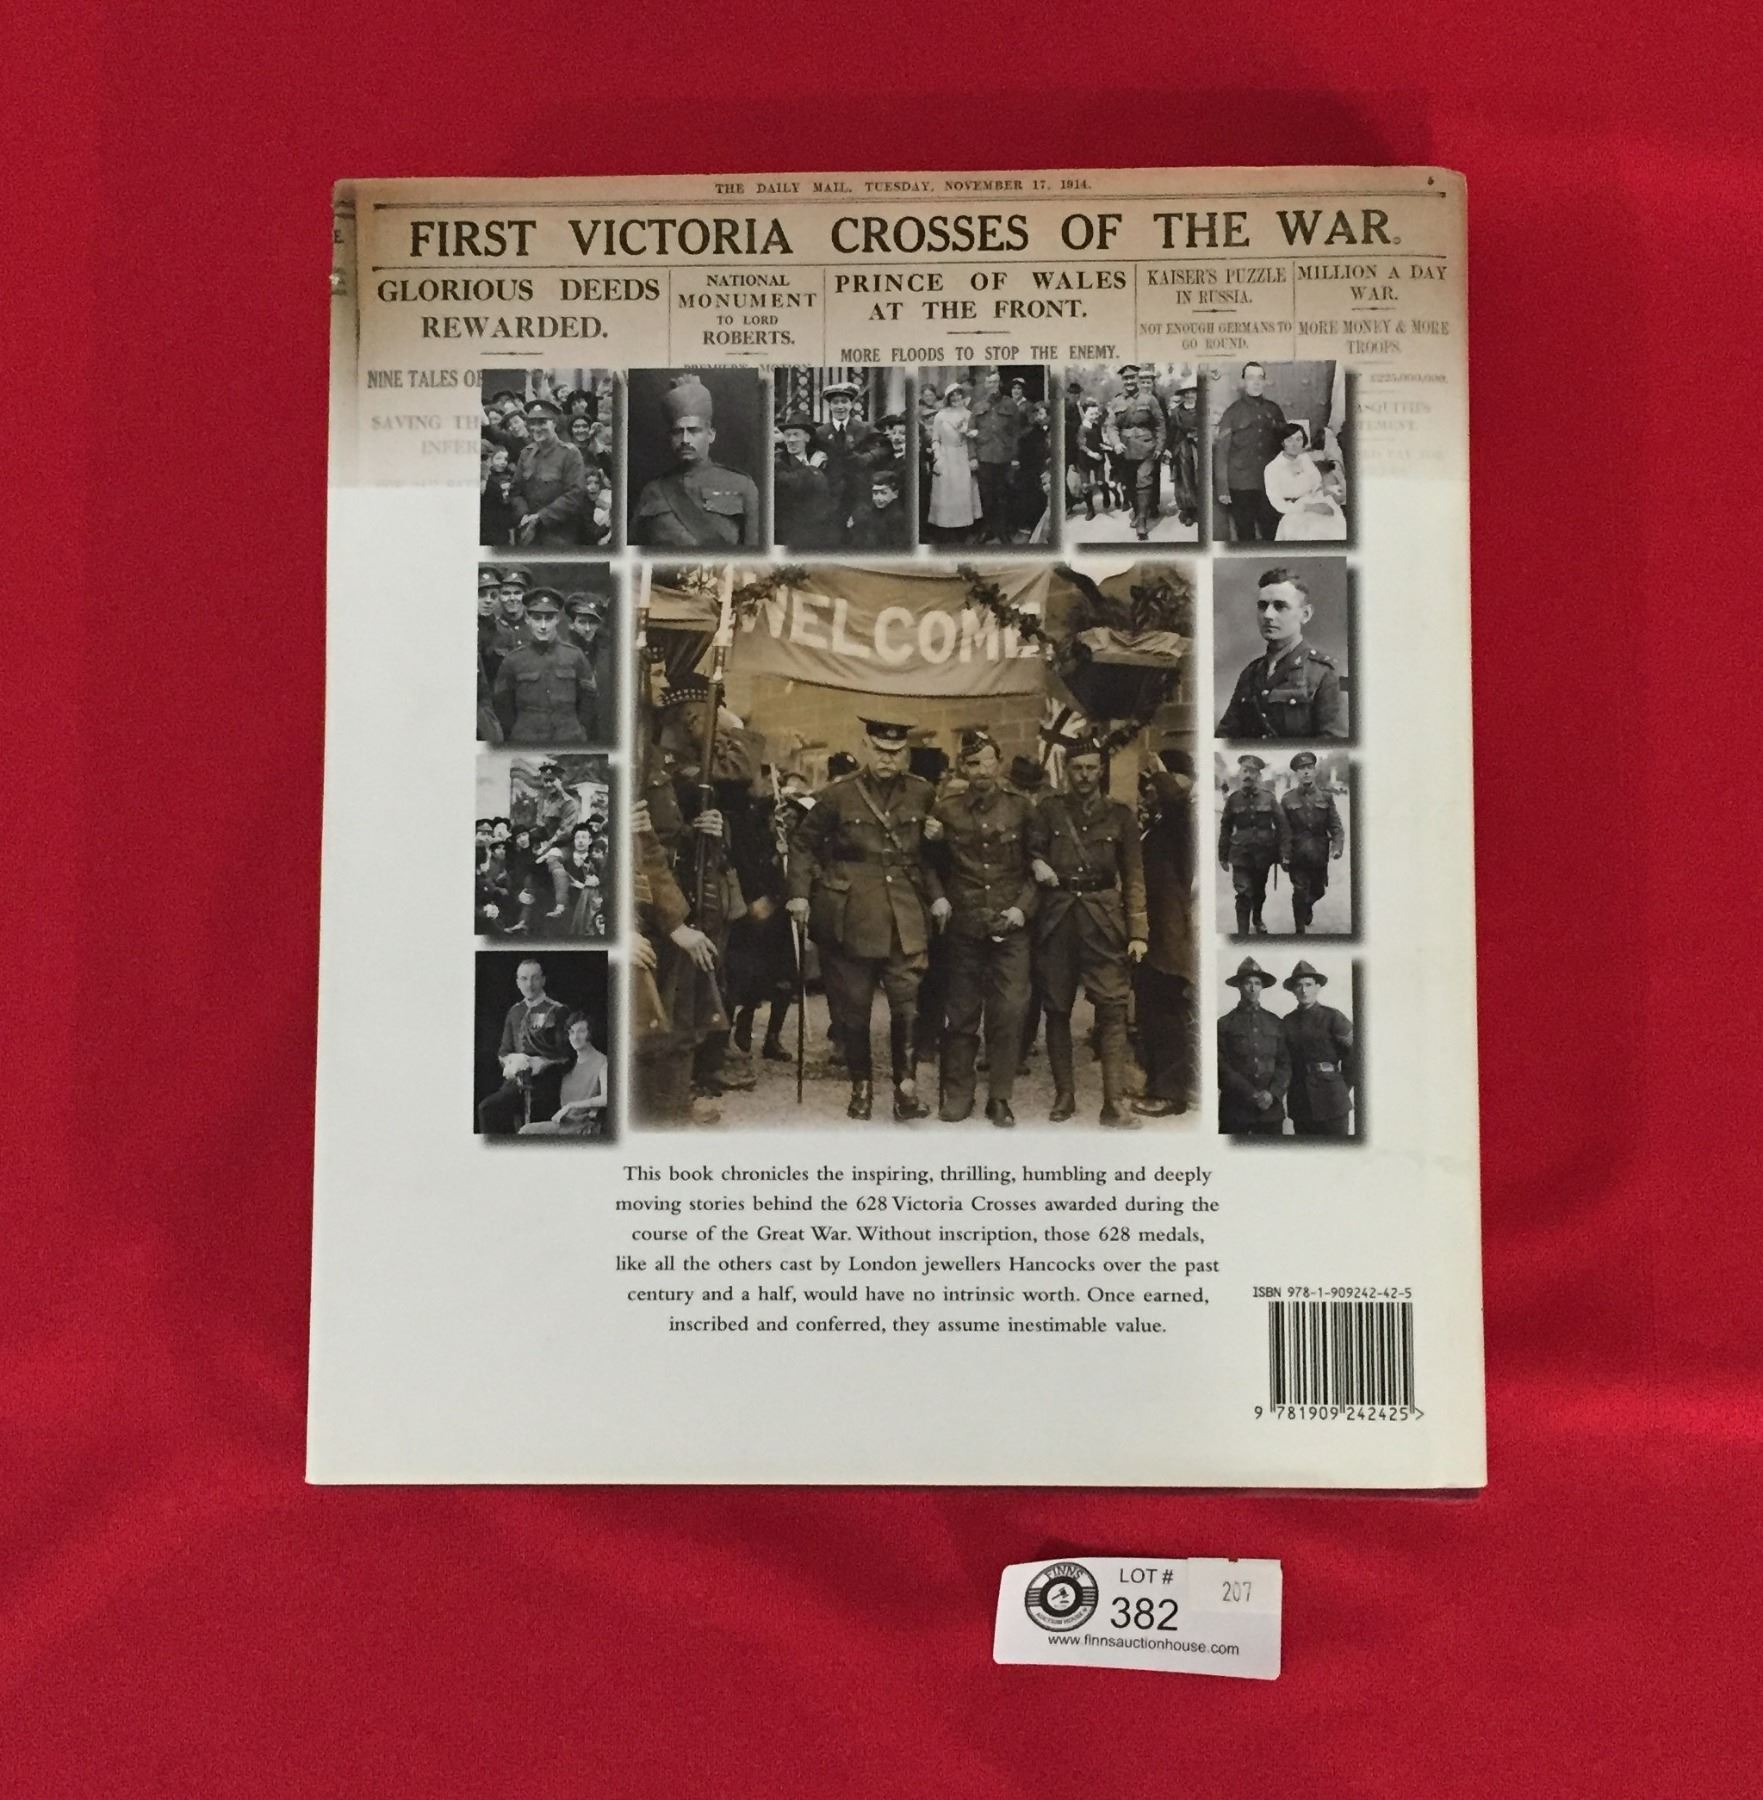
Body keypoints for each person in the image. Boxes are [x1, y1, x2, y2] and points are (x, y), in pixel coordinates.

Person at [787, 719, 943, 1122]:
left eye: (895, 752)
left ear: (905, 753)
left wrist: (938, 888)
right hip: (852, 912)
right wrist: (800, 894)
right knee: (854, 1007)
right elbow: (802, 843)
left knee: (907, 1004)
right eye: (880, 750)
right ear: (865, 748)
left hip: (904, 913)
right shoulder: (838, 794)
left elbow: (930, 856)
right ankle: (861, 1086)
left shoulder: (923, 793)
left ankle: (905, 1090)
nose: (887, 758)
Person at [1026, 736, 1148, 1128]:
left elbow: (1134, 876)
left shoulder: (1120, 816)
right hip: (1058, 918)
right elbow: (1030, 849)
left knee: (1112, 1009)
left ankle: (1113, 1103)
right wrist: (1036, 862)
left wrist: (1138, 931)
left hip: (1104, 921)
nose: (1084, 775)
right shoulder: (1048, 811)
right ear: (1067, 771)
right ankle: (1064, 1095)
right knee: (1057, 1008)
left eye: (1091, 768)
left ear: (1101, 771)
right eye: (1077, 768)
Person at [931, 729, 1037, 1127]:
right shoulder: (947, 811)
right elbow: (929, 864)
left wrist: (1022, 909)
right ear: (963, 767)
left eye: (987, 761)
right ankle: (959, 1094)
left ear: (1000, 763)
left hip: (1011, 926)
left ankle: (1000, 1097)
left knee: (1009, 1012)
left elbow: (1037, 865)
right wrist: (938, 896)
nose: (980, 770)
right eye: (972, 763)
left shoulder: (1021, 808)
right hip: (965, 926)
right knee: (961, 1013)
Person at [1134, 749, 1197, 1116]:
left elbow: (1176, 803)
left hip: (1169, 934)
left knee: (1169, 1014)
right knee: (1150, 1012)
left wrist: (1161, 775)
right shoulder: (1159, 823)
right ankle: (1156, 1084)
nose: (1153, 788)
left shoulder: (1184, 820)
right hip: (1152, 932)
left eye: (1161, 781)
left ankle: (1172, 1094)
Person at [1217, 567, 1348, 740]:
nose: (1268, 615)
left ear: (1305, 614)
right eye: (1262, 606)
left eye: (1280, 606)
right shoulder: (1250, 674)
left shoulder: (1327, 673)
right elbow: (1224, 738)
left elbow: (1334, 742)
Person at [631, 375, 760, 548]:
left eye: (693, 431)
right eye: (677, 432)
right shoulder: (652, 491)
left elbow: (755, 554)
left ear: (710, 435)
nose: (685, 439)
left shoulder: (742, 486)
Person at [478, 957, 572, 1134]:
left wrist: (542, 1062)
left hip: (547, 1084)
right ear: (517, 983)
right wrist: (512, 1060)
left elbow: (567, 1055)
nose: (529, 984)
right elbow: (503, 1051)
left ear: (543, 980)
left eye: (535, 978)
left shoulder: (558, 1010)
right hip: (517, 1084)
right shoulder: (514, 1011)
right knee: (488, 1109)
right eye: (524, 979)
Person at [492, 590, 598, 746]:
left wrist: (580, 729)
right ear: (528, 619)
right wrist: (516, 731)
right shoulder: (513, 660)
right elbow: (502, 703)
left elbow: (589, 697)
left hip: (569, 738)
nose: (543, 626)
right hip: (526, 739)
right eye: (537, 618)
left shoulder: (575, 656)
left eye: (548, 619)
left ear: (557, 619)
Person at [1213, 361, 1288, 542]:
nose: (1256, 382)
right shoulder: (1232, 412)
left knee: (1271, 531)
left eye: (1260, 378)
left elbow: (1284, 444)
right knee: (1245, 534)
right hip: (1241, 484)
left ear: (1265, 382)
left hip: (1269, 483)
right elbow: (1222, 452)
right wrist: (1223, 488)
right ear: (1243, 382)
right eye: (1251, 378)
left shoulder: (1274, 410)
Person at [1280, 960, 1355, 1136]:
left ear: (1317, 987)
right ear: (1293, 990)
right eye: (1298, 986)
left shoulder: (1333, 1017)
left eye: (1308, 985)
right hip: (1301, 1101)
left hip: (1333, 1100)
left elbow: (1356, 1055)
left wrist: (1341, 1087)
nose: (1303, 990)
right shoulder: (1287, 1021)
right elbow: (1284, 1061)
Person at [1218, 753, 1290, 936]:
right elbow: (1225, 827)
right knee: (1243, 893)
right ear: (1240, 773)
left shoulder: (1269, 798)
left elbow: (1282, 826)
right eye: (1245, 771)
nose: (1248, 775)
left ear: (1258, 775)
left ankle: (1257, 918)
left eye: (1252, 771)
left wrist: (1284, 853)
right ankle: (1242, 934)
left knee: (1259, 892)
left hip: (1263, 854)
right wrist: (1223, 855)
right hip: (1240, 854)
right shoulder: (1233, 799)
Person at [1216, 957, 1289, 1134]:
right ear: (1239, 986)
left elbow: (1285, 1063)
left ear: (1262, 987)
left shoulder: (1275, 1022)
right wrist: (1250, 1093)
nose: (1252, 988)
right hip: (1235, 1109)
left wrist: (1272, 1093)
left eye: (1257, 983)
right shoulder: (1225, 1023)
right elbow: (1220, 1065)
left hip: (1270, 1110)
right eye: (1248, 983)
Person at [1280, 751, 1346, 933]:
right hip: (1297, 854)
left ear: (1315, 771)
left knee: (1318, 891)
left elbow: (1336, 826)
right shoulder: (1287, 799)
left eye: (1309, 767)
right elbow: (1283, 830)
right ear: (1296, 773)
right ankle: (1299, 929)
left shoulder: (1326, 797)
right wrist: (1284, 855)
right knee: (1299, 890)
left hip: (1319, 854)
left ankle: (1307, 906)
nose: (1306, 772)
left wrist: (1337, 847)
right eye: (1302, 769)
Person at [511, 400, 590, 547]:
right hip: (528, 533)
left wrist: (541, 517)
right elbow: (515, 491)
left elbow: (576, 493)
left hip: (560, 535)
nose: (536, 428)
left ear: (554, 423)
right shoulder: (526, 454)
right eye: (532, 423)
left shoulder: (570, 454)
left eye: (542, 422)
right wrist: (524, 515)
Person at [519, 1011, 610, 1136]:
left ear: (590, 1033)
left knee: (526, 1132)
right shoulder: (569, 1062)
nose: (575, 1037)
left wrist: (571, 1106)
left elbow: (607, 1098)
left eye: (581, 1031)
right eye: (571, 1032)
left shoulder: (603, 1062)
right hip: (562, 1124)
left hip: (584, 1128)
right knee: (526, 1131)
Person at [1108, 365, 1167, 540]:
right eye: (1126, 378)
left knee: (1144, 481)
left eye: (1132, 378)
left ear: (1137, 379)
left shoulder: (1149, 399)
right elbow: (1111, 426)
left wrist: (1159, 447)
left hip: (1146, 447)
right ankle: (1137, 510)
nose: (1129, 381)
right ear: (1122, 381)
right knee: (1129, 484)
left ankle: (1142, 521)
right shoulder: (1116, 402)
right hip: (1125, 450)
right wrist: (1116, 443)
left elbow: (1160, 424)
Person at [1266, 420, 1347, 540]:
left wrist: (1329, 494)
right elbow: (1278, 504)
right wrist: (1310, 507)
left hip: (1317, 501)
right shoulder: (1272, 468)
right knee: (1312, 532)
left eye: (1298, 439)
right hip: (1294, 511)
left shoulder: (1305, 458)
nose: (1294, 444)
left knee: (1336, 527)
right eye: (1289, 440)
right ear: (1282, 442)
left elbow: (1316, 483)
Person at [773, 408, 842, 549]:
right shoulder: (777, 463)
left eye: (796, 434)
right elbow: (789, 485)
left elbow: (836, 490)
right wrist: (811, 468)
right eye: (787, 435)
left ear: (807, 438)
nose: (791, 440)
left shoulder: (824, 460)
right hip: (792, 534)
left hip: (824, 534)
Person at [971, 370, 1024, 544]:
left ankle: (1003, 531)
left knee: (1003, 496)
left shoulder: (1010, 404)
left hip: (1004, 458)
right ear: (985, 385)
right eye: (989, 382)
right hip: (984, 457)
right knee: (986, 496)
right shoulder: (978, 406)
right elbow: (970, 434)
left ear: (1000, 383)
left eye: (995, 382)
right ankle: (988, 529)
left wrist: (1015, 457)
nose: (993, 385)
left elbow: (1016, 433)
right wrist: (972, 457)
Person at [926, 383, 977, 538]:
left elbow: (973, 439)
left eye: (958, 394)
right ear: (948, 398)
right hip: (945, 456)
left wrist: (970, 434)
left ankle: (963, 529)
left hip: (962, 455)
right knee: (945, 492)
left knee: (962, 491)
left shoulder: (969, 415)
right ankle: (944, 528)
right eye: (952, 396)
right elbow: (935, 439)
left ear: (963, 396)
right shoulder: (940, 416)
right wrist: (938, 456)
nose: (956, 398)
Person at [1164, 375, 1202, 528]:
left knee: (1200, 477)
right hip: (1183, 448)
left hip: (1200, 447)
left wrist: (1199, 436)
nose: (1190, 395)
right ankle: (1189, 511)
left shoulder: (1203, 409)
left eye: (1192, 392)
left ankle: (1202, 509)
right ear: (1183, 395)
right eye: (1186, 392)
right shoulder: (1176, 412)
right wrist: (1168, 448)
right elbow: (1171, 431)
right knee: (1185, 479)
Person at [846, 465, 911, 550]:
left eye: (883, 493)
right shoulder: (868, 512)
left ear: (895, 494)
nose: (878, 498)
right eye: (875, 493)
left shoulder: (898, 518)